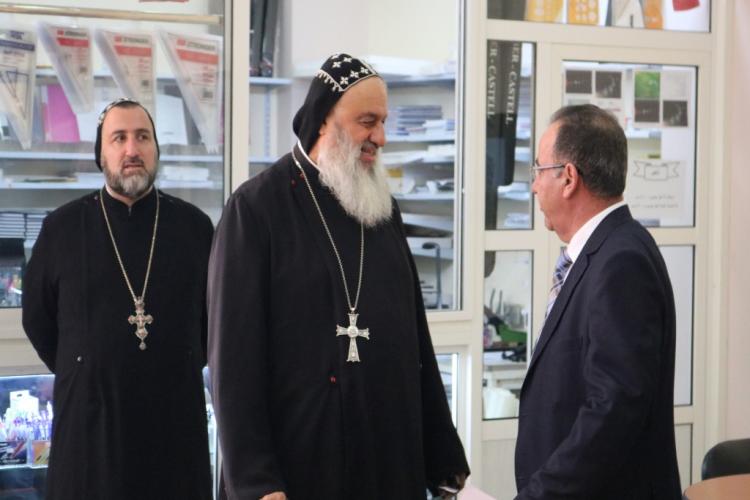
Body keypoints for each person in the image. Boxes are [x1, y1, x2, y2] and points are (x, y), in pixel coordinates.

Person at [208, 53, 469, 500]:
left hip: (388, 458)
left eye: (383, 122)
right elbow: (232, 361)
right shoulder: (256, 209)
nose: (380, 137)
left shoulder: (381, 209)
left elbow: (415, 340)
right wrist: (256, 482)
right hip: (299, 462)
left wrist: (443, 458)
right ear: (323, 119)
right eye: (367, 122)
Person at [22, 98, 214, 500]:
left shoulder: (195, 228)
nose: (132, 150)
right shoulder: (62, 229)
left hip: (174, 430)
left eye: (143, 137)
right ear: (101, 153)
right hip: (90, 432)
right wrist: (87, 366)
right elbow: (38, 319)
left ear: (156, 148)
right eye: (119, 138)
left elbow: (213, 323)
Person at [514, 104, 681, 499]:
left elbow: (613, 410)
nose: (534, 187)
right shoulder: (609, 249)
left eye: (538, 171)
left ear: (568, 178)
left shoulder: (621, 261)